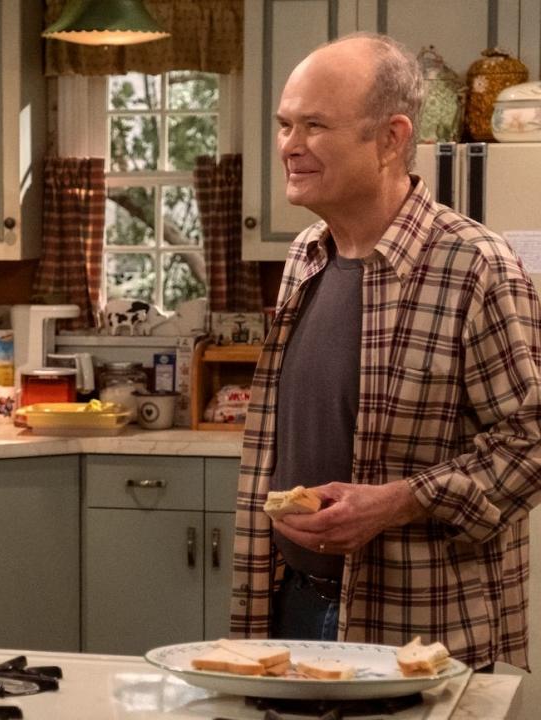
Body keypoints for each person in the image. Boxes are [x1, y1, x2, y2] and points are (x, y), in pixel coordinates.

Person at [229, 33, 541, 671]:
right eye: (286, 124)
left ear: (393, 138)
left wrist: (401, 500)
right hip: (289, 605)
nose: (289, 145)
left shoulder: (475, 266)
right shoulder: (304, 258)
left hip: (415, 627)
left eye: (315, 125)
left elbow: (532, 439)